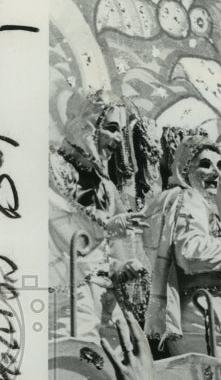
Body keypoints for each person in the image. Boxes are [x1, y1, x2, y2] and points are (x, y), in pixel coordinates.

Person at [144, 136, 221, 363]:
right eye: (205, 164)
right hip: (208, 315)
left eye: (219, 165)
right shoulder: (188, 197)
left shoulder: (167, 201)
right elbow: (191, 253)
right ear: (184, 168)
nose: (216, 173)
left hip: (192, 317)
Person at [49, 90, 149, 342]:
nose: (117, 139)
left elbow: (109, 253)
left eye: (120, 132)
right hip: (67, 294)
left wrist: (123, 267)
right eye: (111, 128)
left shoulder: (106, 188)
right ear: (87, 124)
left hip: (107, 300)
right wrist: (109, 227)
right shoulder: (53, 167)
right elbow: (62, 234)